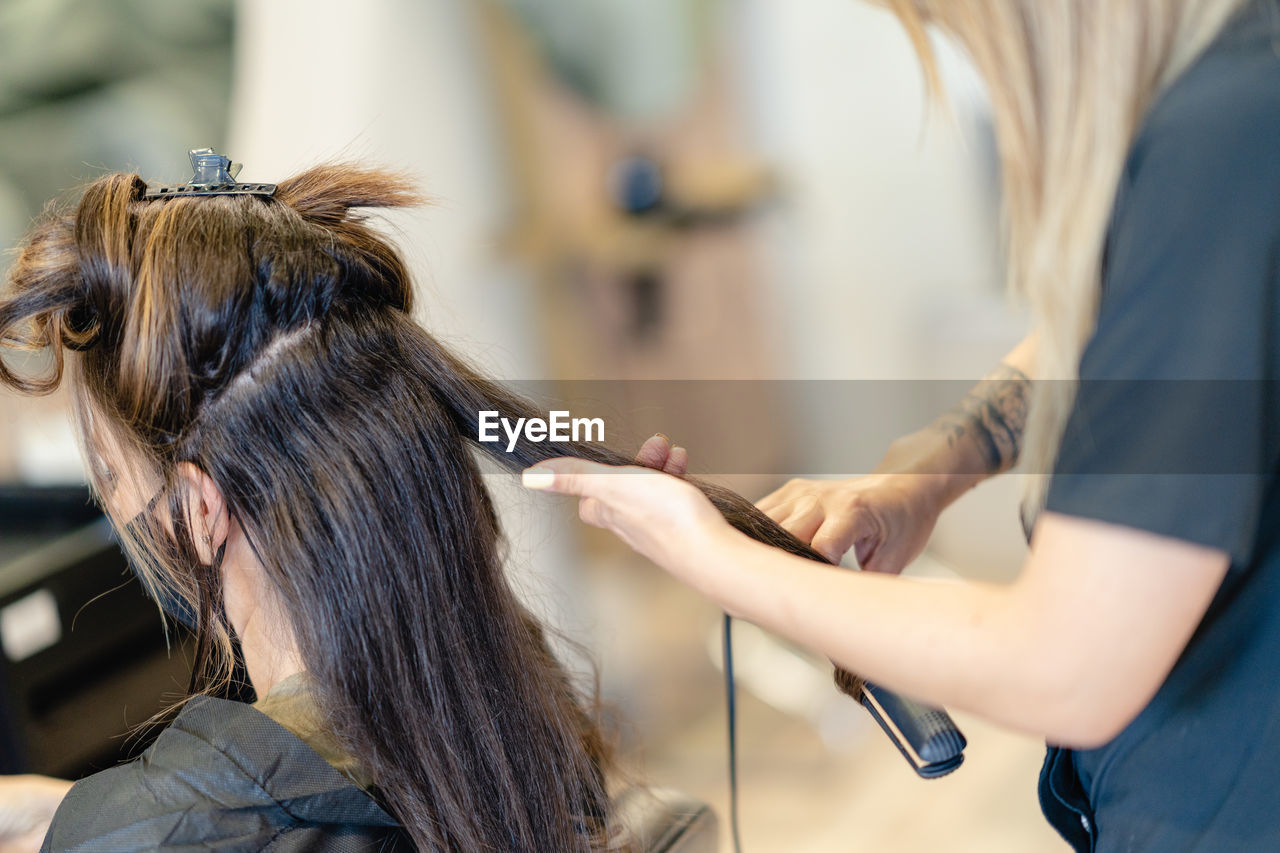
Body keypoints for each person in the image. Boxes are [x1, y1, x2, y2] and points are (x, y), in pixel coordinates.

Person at [521, 0, 1280, 850]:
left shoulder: (1222, 135)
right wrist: (926, 470)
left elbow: (1069, 663)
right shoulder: (1222, 88)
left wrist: (715, 557)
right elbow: (1130, 320)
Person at [0, 162, 855, 851]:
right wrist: (82, 814)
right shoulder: (503, 709)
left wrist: (114, 822)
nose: (114, 508)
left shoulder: (152, 827)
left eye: (111, 477)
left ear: (197, 508)